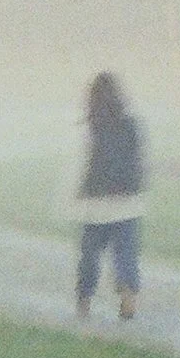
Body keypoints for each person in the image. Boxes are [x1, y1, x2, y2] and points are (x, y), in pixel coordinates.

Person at [74, 71, 146, 320]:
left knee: (90, 255)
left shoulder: (92, 126)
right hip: (127, 201)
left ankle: (84, 299)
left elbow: (84, 163)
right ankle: (128, 293)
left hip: (97, 203)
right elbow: (137, 160)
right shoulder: (131, 125)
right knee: (125, 252)